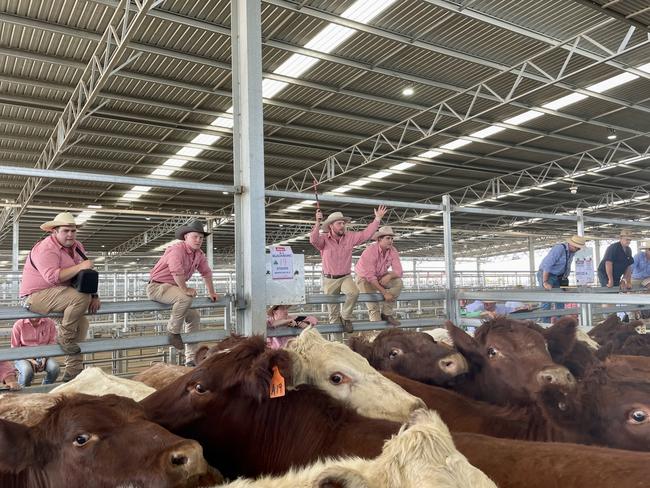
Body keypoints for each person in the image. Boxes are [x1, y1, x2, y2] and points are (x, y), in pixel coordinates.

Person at [19, 212, 100, 382]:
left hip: (59, 294)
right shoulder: (46, 248)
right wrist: (80, 267)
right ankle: (64, 337)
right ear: (54, 231)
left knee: (82, 322)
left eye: (73, 230)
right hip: (35, 295)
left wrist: (94, 294)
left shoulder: (77, 246)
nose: (70, 234)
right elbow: (52, 277)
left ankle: (73, 372)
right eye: (65, 231)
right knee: (80, 299)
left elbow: (85, 274)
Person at [147, 221, 219, 367]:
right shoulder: (176, 250)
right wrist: (185, 289)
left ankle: (191, 358)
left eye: (201, 237)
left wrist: (211, 292)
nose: (199, 240)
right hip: (157, 287)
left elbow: (206, 272)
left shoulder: (199, 254)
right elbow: (176, 271)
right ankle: (172, 331)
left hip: (174, 288)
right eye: (195, 237)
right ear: (186, 237)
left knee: (194, 316)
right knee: (185, 297)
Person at [310, 206, 387, 333]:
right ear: (331, 226)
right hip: (329, 279)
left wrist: (377, 219)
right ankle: (337, 345)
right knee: (333, 314)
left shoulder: (350, 237)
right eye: (339, 223)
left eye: (343, 223)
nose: (342, 226)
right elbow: (313, 240)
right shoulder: (323, 240)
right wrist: (317, 222)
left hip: (345, 277)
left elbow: (365, 234)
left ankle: (345, 317)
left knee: (354, 292)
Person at [354, 226, 403, 326]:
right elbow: (371, 277)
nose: (391, 241)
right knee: (373, 306)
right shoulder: (370, 251)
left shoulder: (393, 250)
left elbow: (399, 271)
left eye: (392, 238)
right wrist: (385, 293)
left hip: (381, 276)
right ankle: (377, 334)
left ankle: (386, 313)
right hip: (364, 279)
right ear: (379, 239)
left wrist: (389, 276)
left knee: (398, 282)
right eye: (388, 238)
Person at [537, 235, 586, 319]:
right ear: (572, 244)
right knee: (546, 301)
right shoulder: (559, 249)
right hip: (548, 275)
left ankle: (560, 325)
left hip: (559, 277)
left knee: (561, 300)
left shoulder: (572, 252)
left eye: (579, 248)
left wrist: (565, 284)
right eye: (577, 247)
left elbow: (566, 267)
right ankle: (544, 326)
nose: (578, 249)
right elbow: (548, 265)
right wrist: (545, 282)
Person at [11, 317, 60, 386]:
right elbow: (14, 348)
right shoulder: (19, 324)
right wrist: (30, 360)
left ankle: (45, 388)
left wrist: (45, 357)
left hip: (44, 354)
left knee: (55, 368)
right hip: (23, 355)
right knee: (27, 371)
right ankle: (24, 391)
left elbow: (52, 342)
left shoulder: (49, 322)